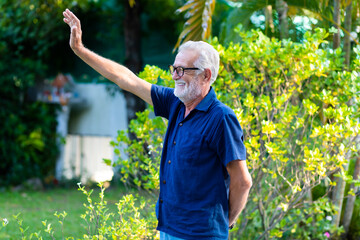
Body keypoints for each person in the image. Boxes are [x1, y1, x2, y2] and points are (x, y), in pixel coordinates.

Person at [63, 8, 252, 239]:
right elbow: (126, 79)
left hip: (202, 234)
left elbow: (242, 181)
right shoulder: (175, 103)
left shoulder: (221, 117)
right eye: (174, 68)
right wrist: (80, 50)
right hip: (168, 230)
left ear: (206, 75)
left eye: (183, 70)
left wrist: (224, 222)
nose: (175, 75)